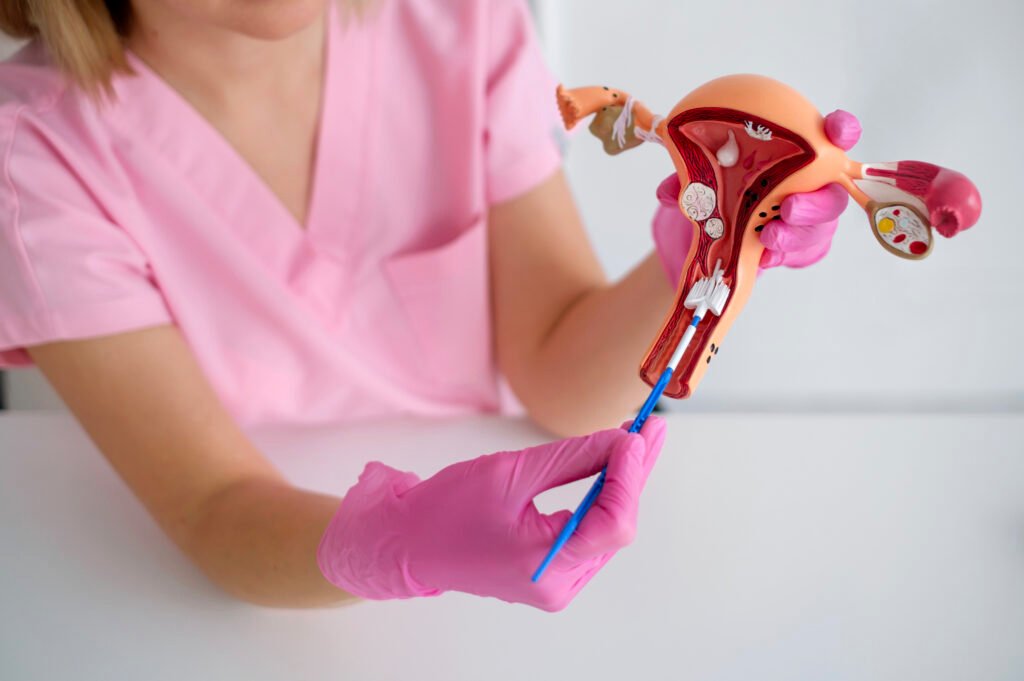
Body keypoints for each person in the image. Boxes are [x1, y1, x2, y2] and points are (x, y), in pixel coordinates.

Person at [0, 0, 858, 611]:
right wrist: (396, 542)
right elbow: (213, 505)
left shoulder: (463, 25)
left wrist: (699, 260)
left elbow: (561, 377)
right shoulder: (32, 152)